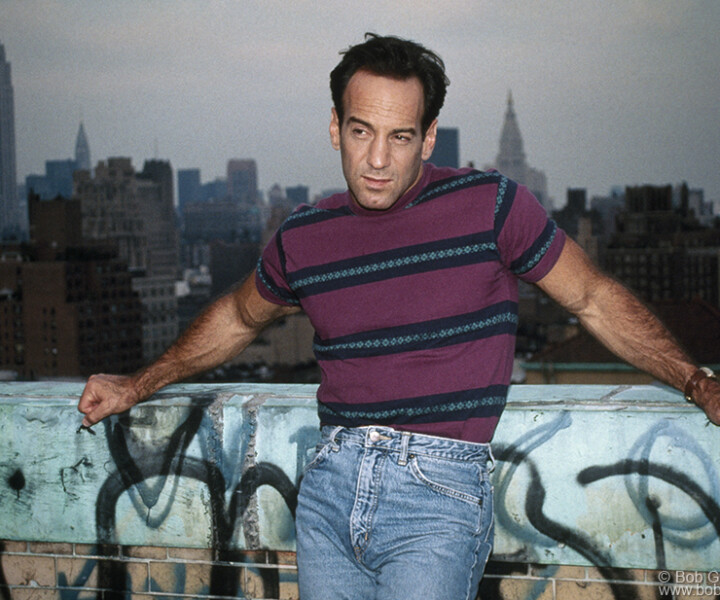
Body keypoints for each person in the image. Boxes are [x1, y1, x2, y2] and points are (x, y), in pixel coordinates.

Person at [79, 33, 720, 600]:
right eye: (362, 131)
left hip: (437, 498)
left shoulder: (490, 207)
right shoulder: (304, 234)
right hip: (328, 492)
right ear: (335, 127)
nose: (378, 159)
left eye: (400, 136)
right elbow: (239, 319)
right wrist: (136, 385)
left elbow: (590, 298)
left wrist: (696, 381)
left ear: (428, 137)